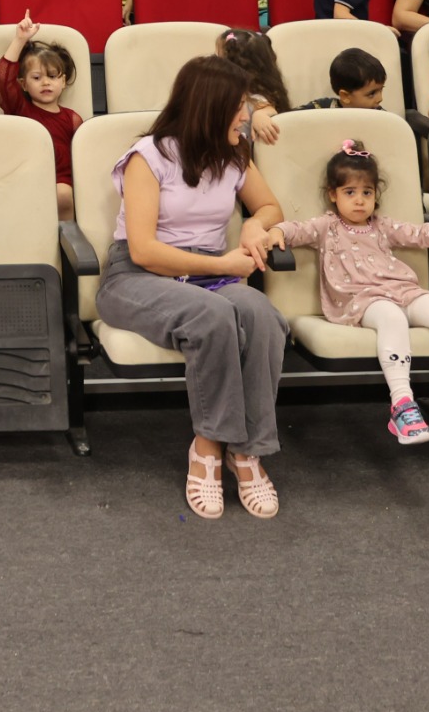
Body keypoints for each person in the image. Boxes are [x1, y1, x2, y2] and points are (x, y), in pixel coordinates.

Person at [95, 55, 288, 517]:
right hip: (137, 277)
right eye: (239, 105)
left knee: (262, 314)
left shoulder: (234, 153)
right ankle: (207, 447)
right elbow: (142, 249)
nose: (246, 115)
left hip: (209, 273)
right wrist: (222, 262)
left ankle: (247, 450)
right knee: (214, 315)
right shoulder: (150, 157)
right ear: (209, 106)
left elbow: (270, 208)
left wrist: (253, 227)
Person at [274, 139, 429, 444]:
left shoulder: (381, 226)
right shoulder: (326, 227)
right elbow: (296, 229)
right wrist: (277, 232)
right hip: (361, 300)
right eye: (350, 192)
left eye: (367, 193)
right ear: (333, 195)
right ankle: (402, 404)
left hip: (402, 290)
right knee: (392, 318)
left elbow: (421, 233)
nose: (360, 201)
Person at [0, 12, 81, 218]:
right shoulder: (20, 109)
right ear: (23, 84)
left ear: (64, 81)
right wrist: (20, 40)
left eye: (52, 76)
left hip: (62, 180)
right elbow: (3, 80)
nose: (45, 82)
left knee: (63, 193)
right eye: (37, 77)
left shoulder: (72, 119)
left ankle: (66, 241)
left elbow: (83, 157)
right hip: (25, 176)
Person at [306, 46, 388, 110]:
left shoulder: (382, 117)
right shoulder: (318, 109)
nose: (380, 99)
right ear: (345, 96)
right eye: (372, 94)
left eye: (381, 90)